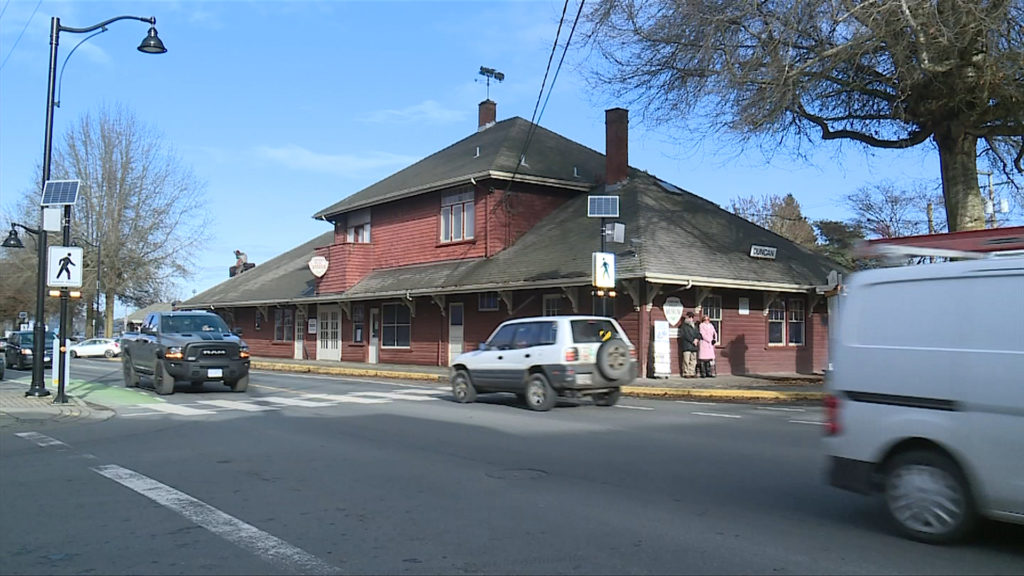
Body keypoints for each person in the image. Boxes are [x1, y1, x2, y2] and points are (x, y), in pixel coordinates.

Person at [680, 311, 700, 378]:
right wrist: (692, 340)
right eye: (689, 317)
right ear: (687, 317)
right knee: (686, 360)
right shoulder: (684, 326)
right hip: (687, 345)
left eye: (692, 317)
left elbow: (698, 334)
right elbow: (685, 335)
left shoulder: (694, 326)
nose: (691, 319)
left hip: (694, 346)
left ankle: (692, 372)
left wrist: (697, 339)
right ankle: (686, 372)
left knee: (693, 360)